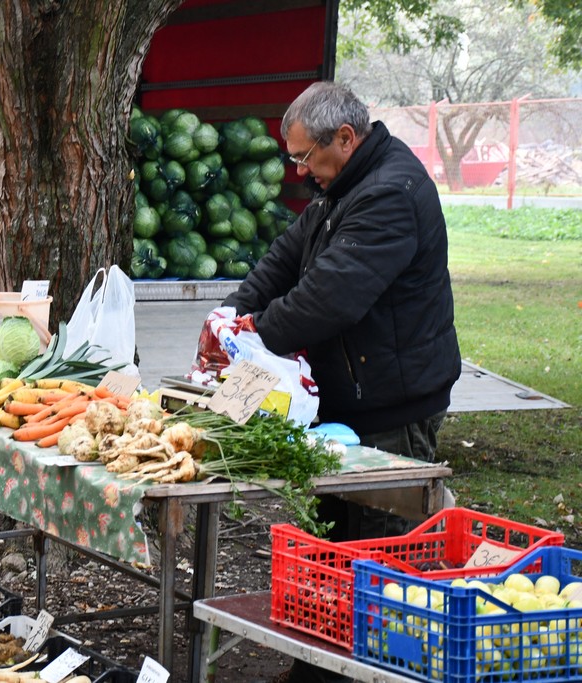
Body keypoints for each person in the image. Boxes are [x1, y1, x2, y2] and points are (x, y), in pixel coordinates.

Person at [220, 82, 460, 683]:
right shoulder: (340, 186)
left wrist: (255, 333)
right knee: (329, 547)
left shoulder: (390, 194)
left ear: (345, 139)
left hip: (393, 407)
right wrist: (228, 315)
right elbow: (284, 257)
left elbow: (331, 297)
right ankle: (318, 669)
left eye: (304, 157)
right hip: (343, 402)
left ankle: (375, 670)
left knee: (380, 556)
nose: (298, 170)